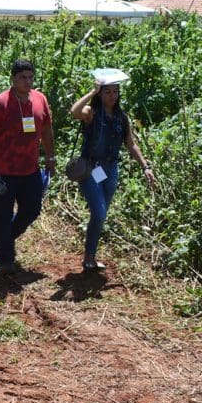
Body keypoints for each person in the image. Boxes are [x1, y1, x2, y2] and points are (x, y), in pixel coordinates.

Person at [0, 59, 55, 273]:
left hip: (30, 169)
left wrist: (50, 156)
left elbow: (47, 130)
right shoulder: (0, 104)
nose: (27, 81)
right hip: (3, 170)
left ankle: (5, 238)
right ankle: (5, 257)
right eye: (22, 77)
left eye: (30, 77)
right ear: (13, 78)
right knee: (1, 213)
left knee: (32, 209)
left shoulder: (40, 100)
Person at [69, 80, 155, 272]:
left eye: (115, 91)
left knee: (100, 215)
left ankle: (89, 256)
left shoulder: (122, 118)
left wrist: (145, 167)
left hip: (111, 170)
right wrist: (92, 91)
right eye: (107, 92)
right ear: (100, 94)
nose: (112, 95)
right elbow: (74, 111)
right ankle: (89, 257)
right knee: (99, 213)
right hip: (91, 169)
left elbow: (131, 144)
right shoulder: (91, 113)